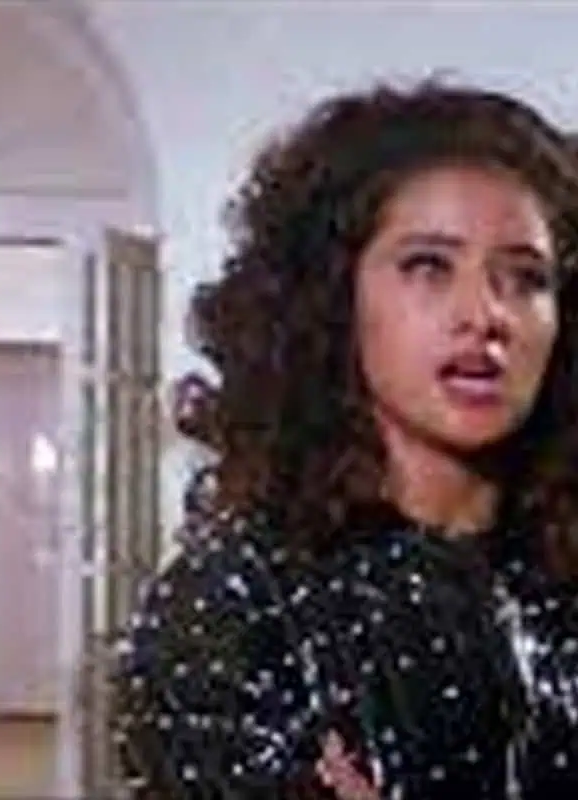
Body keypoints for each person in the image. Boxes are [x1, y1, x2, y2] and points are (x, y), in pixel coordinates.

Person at [112, 80, 578, 799]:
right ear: (332, 298)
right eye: (429, 266)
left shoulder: (559, 574)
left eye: (525, 277)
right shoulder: (233, 609)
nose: (487, 314)